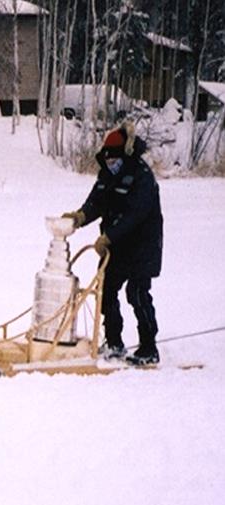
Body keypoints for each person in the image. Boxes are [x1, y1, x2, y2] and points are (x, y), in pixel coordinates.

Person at [63, 122, 164, 366]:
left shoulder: (142, 176)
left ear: (125, 154)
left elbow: (134, 214)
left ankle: (149, 347)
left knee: (137, 293)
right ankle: (114, 342)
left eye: (114, 160)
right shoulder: (108, 172)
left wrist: (108, 237)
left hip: (142, 245)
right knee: (106, 290)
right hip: (116, 246)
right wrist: (81, 216)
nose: (110, 164)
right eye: (107, 161)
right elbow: (97, 200)